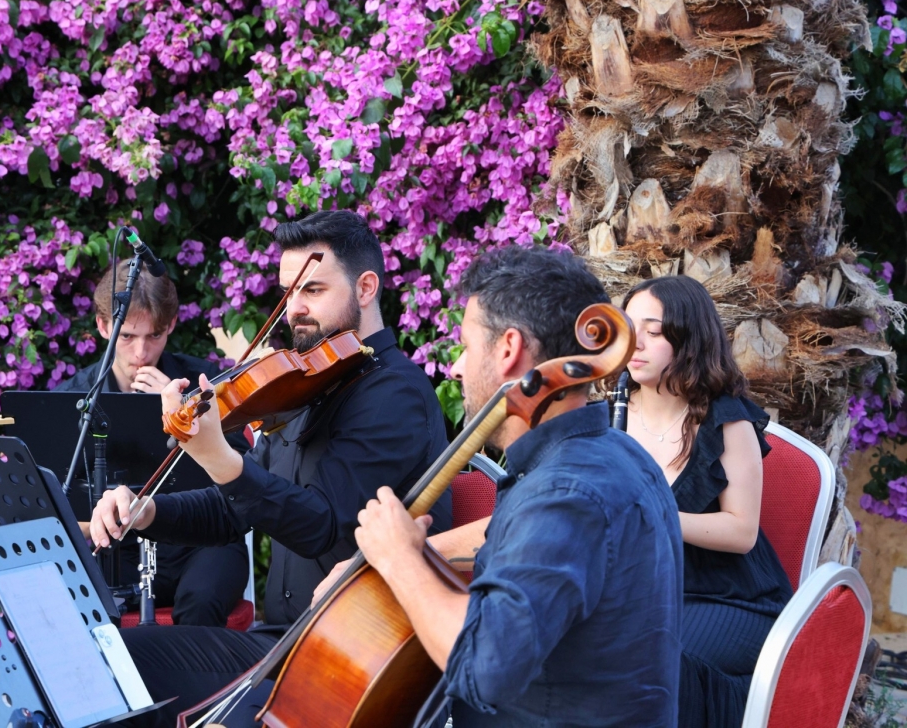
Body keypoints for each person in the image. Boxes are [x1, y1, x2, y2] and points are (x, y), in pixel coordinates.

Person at [89, 209, 452, 726]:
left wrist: (219, 458)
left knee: (132, 677)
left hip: (347, 656)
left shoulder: (393, 394)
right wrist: (148, 512)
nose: (294, 308)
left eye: (313, 290)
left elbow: (322, 525)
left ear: (366, 287)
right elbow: (233, 511)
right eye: (289, 292)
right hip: (282, 643)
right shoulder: (309, 381)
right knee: (109, 656)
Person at [330, 246, 683, 726]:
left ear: (508, 349)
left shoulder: (564, 493)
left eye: (466, 346)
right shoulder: (621, 456)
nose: (457, 367)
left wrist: (399, 559)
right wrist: (404, 556)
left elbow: (484, 667)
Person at [622, 275, 792, 728]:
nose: (635, 343)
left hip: (728, 598)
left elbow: (742, 531)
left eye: (654, 332)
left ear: (689, 340)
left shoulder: (727, 419)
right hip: (641, 594)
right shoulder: (608, 416)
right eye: (629, 328)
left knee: (649, 657)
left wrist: (657, 515)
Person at [57, 261, 250, 628]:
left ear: (171, 325)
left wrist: (186, 411)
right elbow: (57, 501)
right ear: (103, 326)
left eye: (154, 335)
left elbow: (242, 477)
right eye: (127, 336)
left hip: (201, 541)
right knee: (81, 606)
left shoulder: (203, 382)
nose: (141, 353)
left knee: (201, 601)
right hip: (118, 548)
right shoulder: (72, 398)